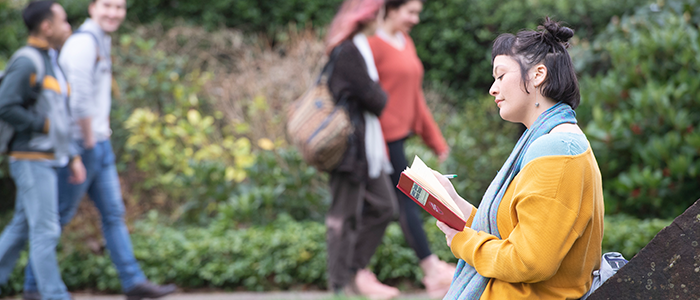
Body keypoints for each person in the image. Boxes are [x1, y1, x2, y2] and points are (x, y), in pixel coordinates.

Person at [434, 18, 604, 299]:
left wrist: (462, 241)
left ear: (538, 75)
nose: (493, 88)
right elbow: (512, 235)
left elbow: (529, 260)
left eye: (500, 76)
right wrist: (456, 205)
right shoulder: (548, 142)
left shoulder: (557, 150)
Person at [21, 1, 177, 300]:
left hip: (99, 144)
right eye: (107, 5)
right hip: (82, 144)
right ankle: (33, 287)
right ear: (92, 7)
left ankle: (133, 282)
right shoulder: (82, 44)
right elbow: (77, 99)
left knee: (113, 214)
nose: (114, 12)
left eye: (119, 7)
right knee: (58, 218)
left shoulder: (99, 40)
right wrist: (90, 142)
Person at [367, 1, 453, 298]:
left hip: (396, 139)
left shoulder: (404, 41)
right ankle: (430, 271)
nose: (416, 19)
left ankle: (429, 270)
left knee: (396, 202)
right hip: (376, 141)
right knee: (400, 200)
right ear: (391, 8)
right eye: (410, 12)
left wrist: (435, 140)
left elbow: (415, 97)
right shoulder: (371, 44)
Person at [0, 1, 84, 299]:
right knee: (47, 231)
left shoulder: (51, 60)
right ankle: (55, 295)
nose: (68, 26)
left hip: (49, 157)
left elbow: (60, 117)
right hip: (32, 157)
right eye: (63, 21)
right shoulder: (27, 61)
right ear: (47, 26)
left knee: (21, 228)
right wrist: (43, 126)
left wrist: (72, 155)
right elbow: (6, 105)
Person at [324, 0, 401, 299]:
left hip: (364, 150)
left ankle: (353, 271)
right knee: (342, 218)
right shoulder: (349, 51)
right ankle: (339, 286)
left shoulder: (358, 48)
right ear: (369, 16)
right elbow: (376, 99)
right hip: (347, 150)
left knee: (384, 206)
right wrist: (377, 92)